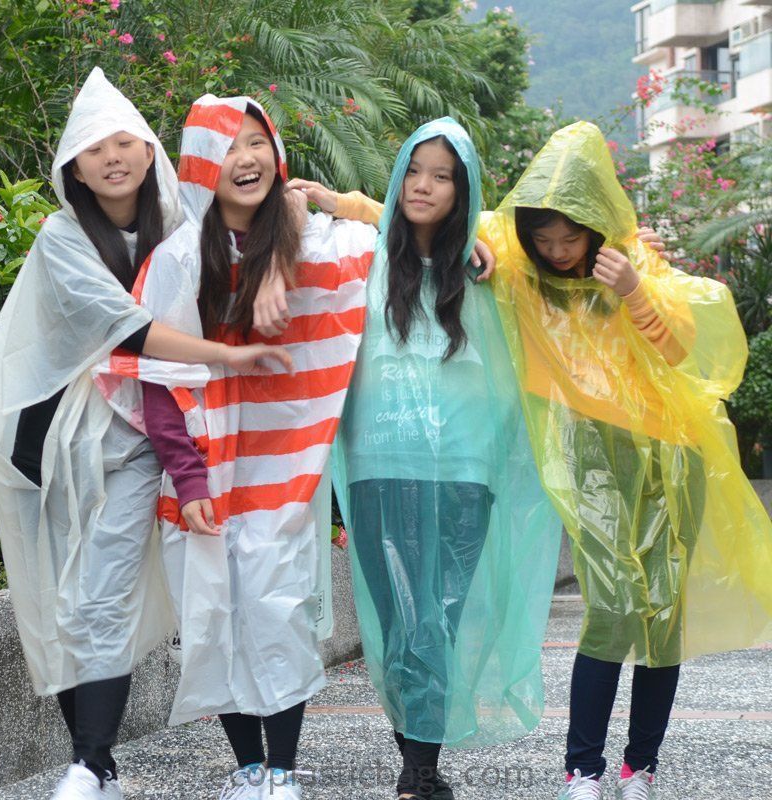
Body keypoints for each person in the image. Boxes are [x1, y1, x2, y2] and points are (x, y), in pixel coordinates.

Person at [0, 69, 290, 800]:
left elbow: (261, 218)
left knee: (164, 593)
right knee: (73, 602)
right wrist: (228, 356)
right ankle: (98, 767)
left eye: (125, 141)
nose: (111, 156)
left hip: (162, 431)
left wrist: (318, 203)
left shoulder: (183, 218)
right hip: (63, 441)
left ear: (150, 151)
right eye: (92, 149)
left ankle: (112, 765)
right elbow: (136, 332)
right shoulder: (61, 237)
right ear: (72, 169)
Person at [95, 94, 378, 800]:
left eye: (257, 141)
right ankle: (246, 769)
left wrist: (340, 203)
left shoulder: (313, 241)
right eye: (227, 146)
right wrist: (188, 480)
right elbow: (152, 377)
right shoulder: (177, 257)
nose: (245, 158)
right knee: (212, 616)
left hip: (283, 473)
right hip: (202, 478)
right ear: (198, 165)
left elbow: (404, 236)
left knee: (278, 615)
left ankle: (281, 771)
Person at [483, 120, 772, 800]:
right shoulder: (521, 270)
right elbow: (435, 221)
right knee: (611, 608)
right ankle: (581, 771)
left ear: (597, 225)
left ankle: (639, 768)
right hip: (590, 458)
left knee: (661, 616)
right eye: (544, 237)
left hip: (673, 458)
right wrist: (347, 206)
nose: (556, 250)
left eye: (569, 235)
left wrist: (635, 290)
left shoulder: (641, 265)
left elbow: (680, 351)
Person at [290, 117, 562, 800]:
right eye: (415, 169)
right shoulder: (365, 257)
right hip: (382, 463)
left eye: (443, 176)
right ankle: (418, 764)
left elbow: (560, 248)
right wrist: (341, 202)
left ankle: (418, 772)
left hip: (465, 473)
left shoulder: (485, 263)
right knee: (399, 622)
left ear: (462, 191)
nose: (424, 185)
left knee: (434, 617)